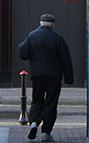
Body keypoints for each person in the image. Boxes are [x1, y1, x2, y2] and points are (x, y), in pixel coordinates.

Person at [19, 14, 74, 142]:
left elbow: (23, 54)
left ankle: (33, 122)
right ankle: (46, 132)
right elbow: (66, 59)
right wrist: (69, 78)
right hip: (54, 76)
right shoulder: (58, 38)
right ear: (52, 24)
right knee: (51, 103)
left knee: (37, 100)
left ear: (40, 23)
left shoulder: (32, 36)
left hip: (37, 75)